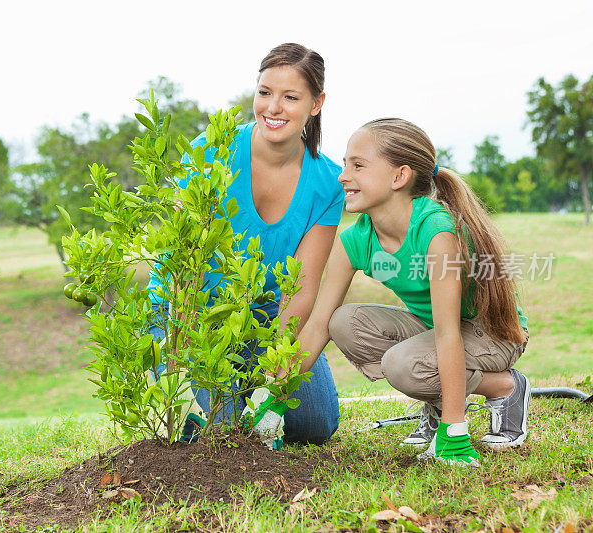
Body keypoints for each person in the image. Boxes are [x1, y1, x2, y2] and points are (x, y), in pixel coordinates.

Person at [296, 118, 530, 465]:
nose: (342, 175)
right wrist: (272, 396)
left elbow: (449, 333)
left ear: (399, 176)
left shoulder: (435, 231)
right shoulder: (355, 240)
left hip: (494, 335)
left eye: (357, 165)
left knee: (402, 365)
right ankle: (439, 395)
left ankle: (505, 388)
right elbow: (317, 325)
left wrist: (455, 431)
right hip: (438, 331)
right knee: (342, 322)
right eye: (345, 164)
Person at [146, 43, 344, 446]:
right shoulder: (210, 153)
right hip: (196, 309)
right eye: (264, 92)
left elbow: (302, 285)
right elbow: (184, 258)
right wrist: (181, 331)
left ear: (316, 103)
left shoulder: (328, 183)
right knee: (227, 431)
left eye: (291, 97)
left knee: (315, 423)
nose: (273, 107)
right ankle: (206, 413)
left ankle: (246, 400)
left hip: (269, 315)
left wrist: (279, 371)